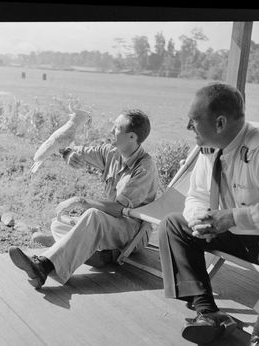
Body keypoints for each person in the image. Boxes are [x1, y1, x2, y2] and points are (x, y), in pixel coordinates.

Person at [158, 82, 259, 346]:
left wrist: (233, 217)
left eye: (193, 120)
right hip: (231, 233)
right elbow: (197, 195)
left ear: (220, 122)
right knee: (173, 224)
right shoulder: (210, 149)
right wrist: (200, 219)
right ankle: (208, 312)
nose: (188, 127)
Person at [8, 109, 158, 289]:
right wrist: (68, 155)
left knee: (93, 215)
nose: (111, 131)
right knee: (59, 224)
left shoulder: (144, 167)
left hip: (133, 231)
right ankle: (99, 255)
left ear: (132, 137)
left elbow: (119, 209)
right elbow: (77, 150)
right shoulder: (111, 152)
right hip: (112, 226)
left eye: (117, 128)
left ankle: (43, 266)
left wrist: (80, 200)